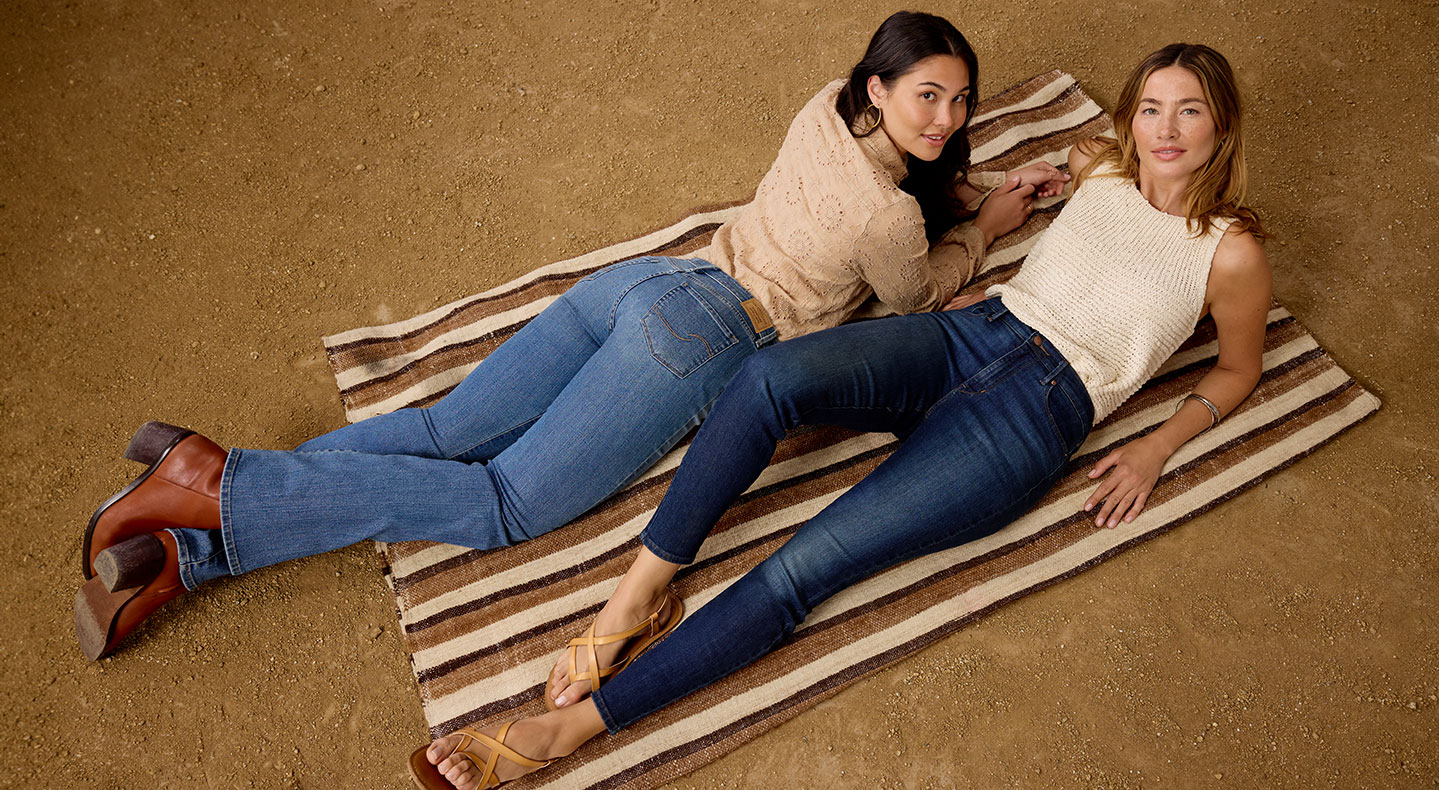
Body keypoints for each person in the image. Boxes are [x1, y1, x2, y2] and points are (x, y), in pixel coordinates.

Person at [73, 11, 1066, 661]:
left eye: (960, 100)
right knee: (504, 500)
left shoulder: (823, 110)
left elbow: (896, 188)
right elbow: (915, 295)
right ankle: (220, 483)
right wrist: (982, 225)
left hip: (645, 282)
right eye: (927, 95)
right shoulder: (891, 222)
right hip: (706, 337)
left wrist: (964, 186)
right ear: (880, 91)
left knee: (442, 429)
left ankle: (188, 541)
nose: (946, 116)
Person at [410, 41, 1272, 790]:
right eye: (1149, 108)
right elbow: (1083, 162)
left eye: (1187, 112)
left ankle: (571, 728)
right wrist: (1014, 199)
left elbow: (1237, 368)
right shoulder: (1107, 165)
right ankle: (635, 598)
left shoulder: (1229, 251)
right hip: (971, 331)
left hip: (1032, 419)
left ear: (1219, 128)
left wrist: (1159, 446)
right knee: (769, 379)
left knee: (804, 566)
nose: (1163, 130)